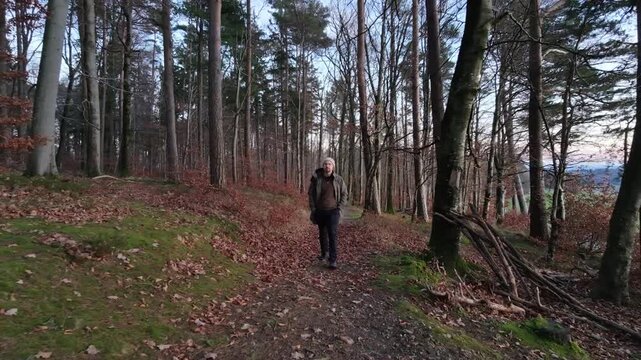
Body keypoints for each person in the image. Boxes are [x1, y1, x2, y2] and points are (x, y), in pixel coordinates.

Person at [308, 157, 348, 269]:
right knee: (322, 234)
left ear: (333, 166)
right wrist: (313, 208)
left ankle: (333, 260)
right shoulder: (316, 179)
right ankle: (324, 253)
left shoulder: (338, 179)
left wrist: (340, 208)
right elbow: (310, 194)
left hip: (333, 211)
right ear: (323, 166)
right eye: (325, 164)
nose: (327, 166)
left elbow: (345, 193)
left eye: (329, 164)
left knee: (332, 234)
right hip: (320, 210)